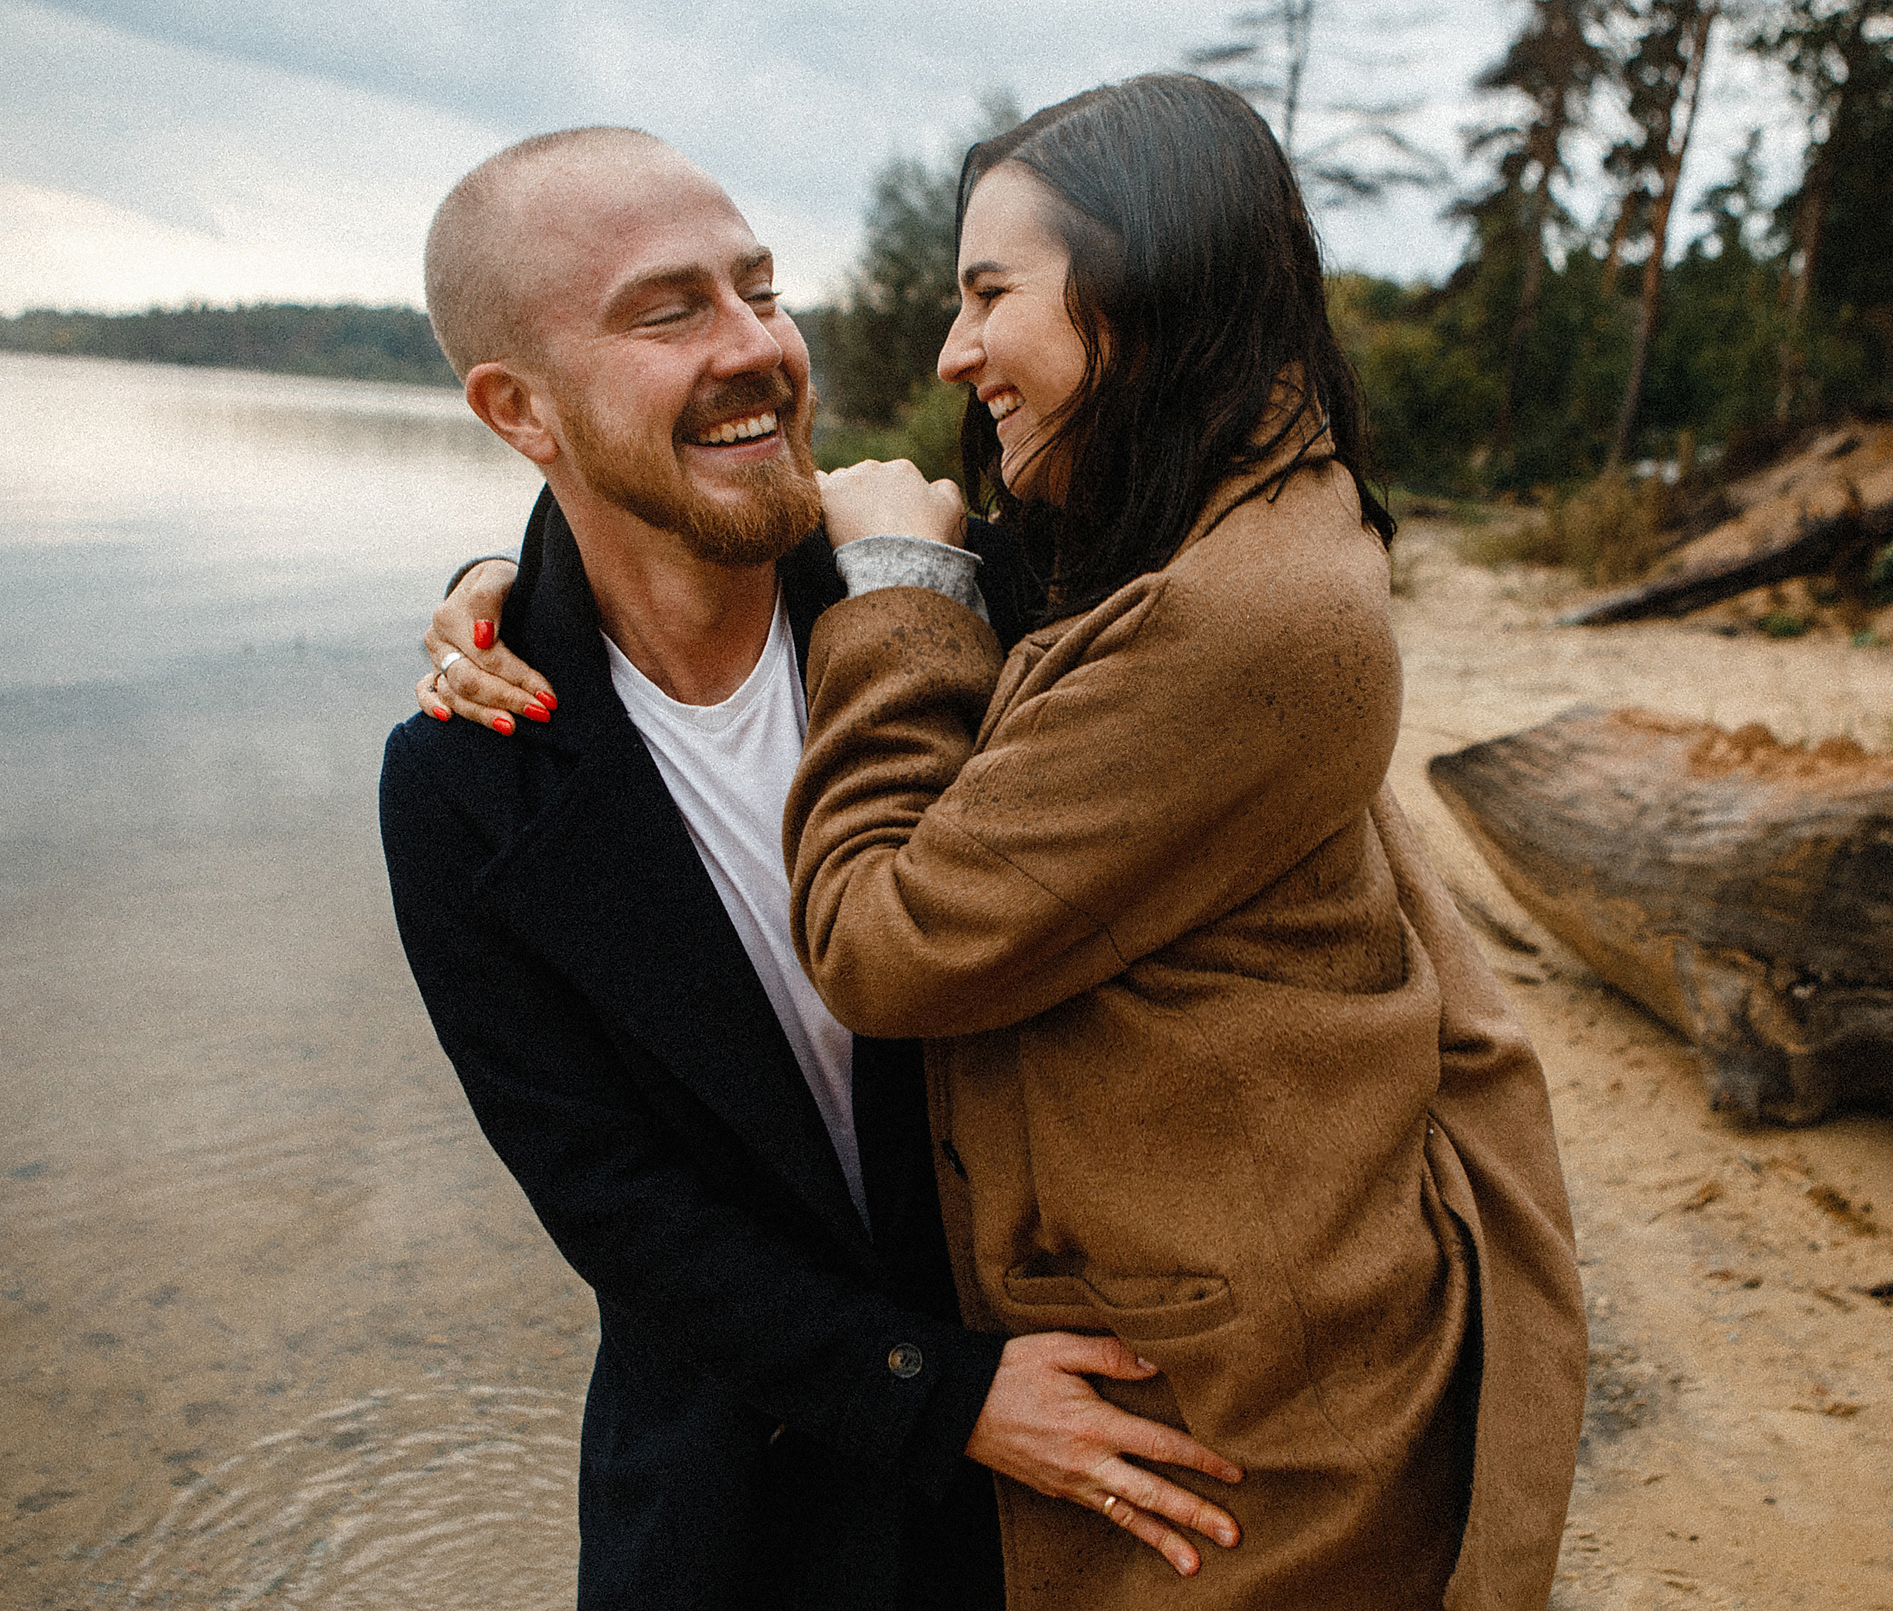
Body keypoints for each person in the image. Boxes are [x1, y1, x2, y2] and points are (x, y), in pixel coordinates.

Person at [378, 125, 1245, 1611]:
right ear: (519, 409)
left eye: (762, 289)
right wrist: (941, 1394)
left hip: (1089, 1452)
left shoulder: (955, 589)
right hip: (735, 1508)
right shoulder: (471, 775)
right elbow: (610, 1201)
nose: (758, 347)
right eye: (671, 311)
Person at [783, 77, 1586, 1607]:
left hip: (1245, 1435)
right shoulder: (1239, 519)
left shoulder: (1242, 613)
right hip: (1265, 1355)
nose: (954, 352)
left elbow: (882, 943)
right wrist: (531, 577)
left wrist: (894, 590)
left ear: (1143, 284)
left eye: (988, 293)